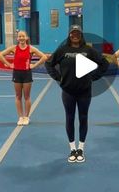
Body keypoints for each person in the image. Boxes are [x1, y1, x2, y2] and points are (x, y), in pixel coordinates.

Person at [45, 25, 109, 163]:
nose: (75, 35)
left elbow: (104, 63)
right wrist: (58, 77)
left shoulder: (88, 50)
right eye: (73, 33)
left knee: (83, 118)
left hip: (84, 91)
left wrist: (93, 77)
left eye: (78, 33)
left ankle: (81, 148)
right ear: (69, 35)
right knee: (69, 118)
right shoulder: (62, 50)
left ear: (81, 35)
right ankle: (72, 149)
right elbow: (48, 63)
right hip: (68, 91)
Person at [0, 30, 48, 125]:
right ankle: (20, 117)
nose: (21, 38)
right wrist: (9, 64)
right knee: (18, 96)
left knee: (27, 96)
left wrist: (34, 65)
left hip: (27, 74)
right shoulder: (14, 48)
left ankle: (26, 117)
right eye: (19, 36)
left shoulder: (30, 49)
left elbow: (44, 57)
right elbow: (0, 55)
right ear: (17, 38)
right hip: (17, 73)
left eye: (23, 36)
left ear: (26, 38)